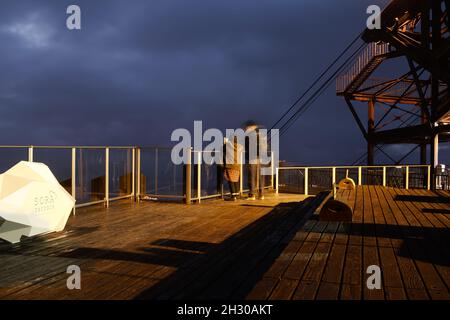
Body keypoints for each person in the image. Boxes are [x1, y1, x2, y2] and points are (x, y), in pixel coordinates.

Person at [244, 120, 267, 200]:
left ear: (250, 126)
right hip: (262, 158)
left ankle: (252, 194)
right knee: (261, 176)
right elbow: (265, 146)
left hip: (252, 157)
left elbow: (246, 147)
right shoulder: (261, 134)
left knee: (252, 176)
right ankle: (261, 194)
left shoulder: (249, 135)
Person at [223, 136, 243, 201]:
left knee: (231, 180)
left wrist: (225, 142)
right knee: (236, 180)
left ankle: (233, 196)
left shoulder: (228, 146)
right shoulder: (240, 147)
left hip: (230, 166)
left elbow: (223, 149)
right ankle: (237, 194)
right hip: (237, 166)